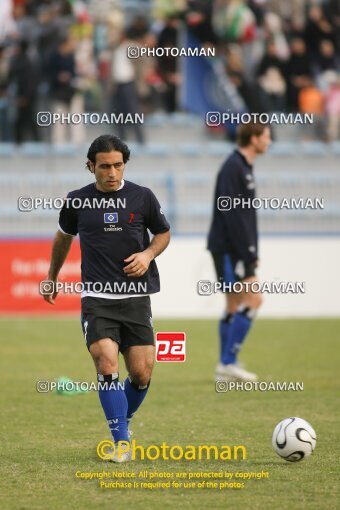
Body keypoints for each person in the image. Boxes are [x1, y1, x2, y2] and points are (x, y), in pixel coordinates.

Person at [43, 134, 170, 462]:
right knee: (105, 360)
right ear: (90, 166)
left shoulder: (143, 197)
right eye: (104, 166)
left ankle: (121, 422)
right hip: (97, 298)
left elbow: (163, 233)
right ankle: (121, 443)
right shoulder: (77, 201)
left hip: (136, 297)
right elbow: (64, 237)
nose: (112, 173)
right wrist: (52, 278)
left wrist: (148, 254)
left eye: (118, 165)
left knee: (142, 374)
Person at [207, 123, 271, 382]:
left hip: (232, 248)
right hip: (230, 249)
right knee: (254, 300)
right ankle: (228, 361)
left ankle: (225, 366)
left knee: (233, 305)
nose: (269, 141)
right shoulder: (234, 167)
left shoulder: (242, 167)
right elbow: (232, 214)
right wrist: (248, 252)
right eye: (266, 137)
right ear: (253, 138)